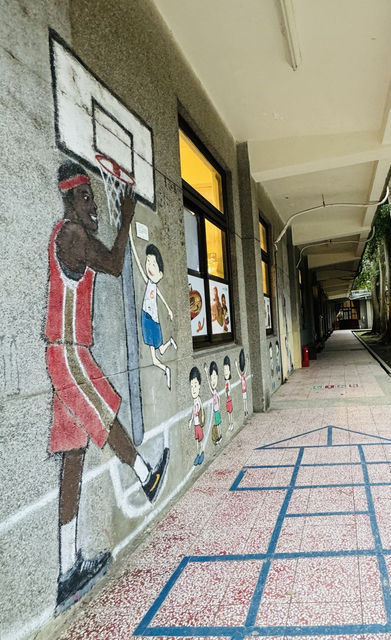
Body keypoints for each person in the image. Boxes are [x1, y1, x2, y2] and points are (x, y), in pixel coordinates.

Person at [46, 161, 169, 615]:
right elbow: (116, 264)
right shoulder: (72, 235)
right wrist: (127, 215)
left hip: (65, 351)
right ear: (69, 201)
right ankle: (146, 474)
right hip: (68, 351)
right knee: (106, 412)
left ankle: (67, 570)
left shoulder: (72, 234)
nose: (93, 205)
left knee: (73, 457)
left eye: (94, 198)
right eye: (86, 198)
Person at [129, 231, 177, 388]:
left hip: (151, 321)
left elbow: (160, 296)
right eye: (148, 261)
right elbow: (138, 261)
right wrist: (131, 237)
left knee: (156, 357)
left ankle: (166, 369)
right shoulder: (149, 282)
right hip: (147, 317)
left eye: (153, 264)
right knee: (159, 351)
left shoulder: (154, 285)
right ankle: (170, 342)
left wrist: (169, 309)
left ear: (161, 274)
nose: (149, 266)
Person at [188, 367, 204, 465]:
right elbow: (193, 413)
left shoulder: (198, 400)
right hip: (195, 425)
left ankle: (201, 454)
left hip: (199, 425)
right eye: (191, 386)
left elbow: (201, 409)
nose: (193, 389)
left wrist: (202, 419)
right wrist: (190, 421)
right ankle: (198, 455)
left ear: (199, 386)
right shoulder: (194, 402)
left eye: (195, 385)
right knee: (197, 440)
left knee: (200, 441)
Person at [207, 360, 222, 445]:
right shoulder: (214, 392)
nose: (213, 381)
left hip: (217, 411)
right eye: (211, 378)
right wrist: (206, 373)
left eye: (215, 378)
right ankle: (219, 436)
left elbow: (219, 398)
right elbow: (210, 387)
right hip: (216, 411)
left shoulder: (215, 391)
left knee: (218, 423)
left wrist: (218, 406)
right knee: (217, 423)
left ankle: (219, 436)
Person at [235, 349, 249, 417]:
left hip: (244, 390)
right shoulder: (241, 377)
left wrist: (247, 361)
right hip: (243, 391)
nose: (242, 372)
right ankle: (245, 410)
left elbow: (246, 370)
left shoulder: (243, 376)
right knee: (244, 400)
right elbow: (238, 372)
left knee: (245, 400)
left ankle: (246, 409)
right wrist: (236, 365)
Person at [223, 355, 233, 431]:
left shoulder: (228, 382)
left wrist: (227, 393)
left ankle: (231, 424)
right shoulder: (226, 382)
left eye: (227, 370)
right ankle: (230, 424)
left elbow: (229, 391)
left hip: (229, 400)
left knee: (230, 413)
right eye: (224, 370)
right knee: (228, 413)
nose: (226, 372)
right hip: (227, 401)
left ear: (229, 371)